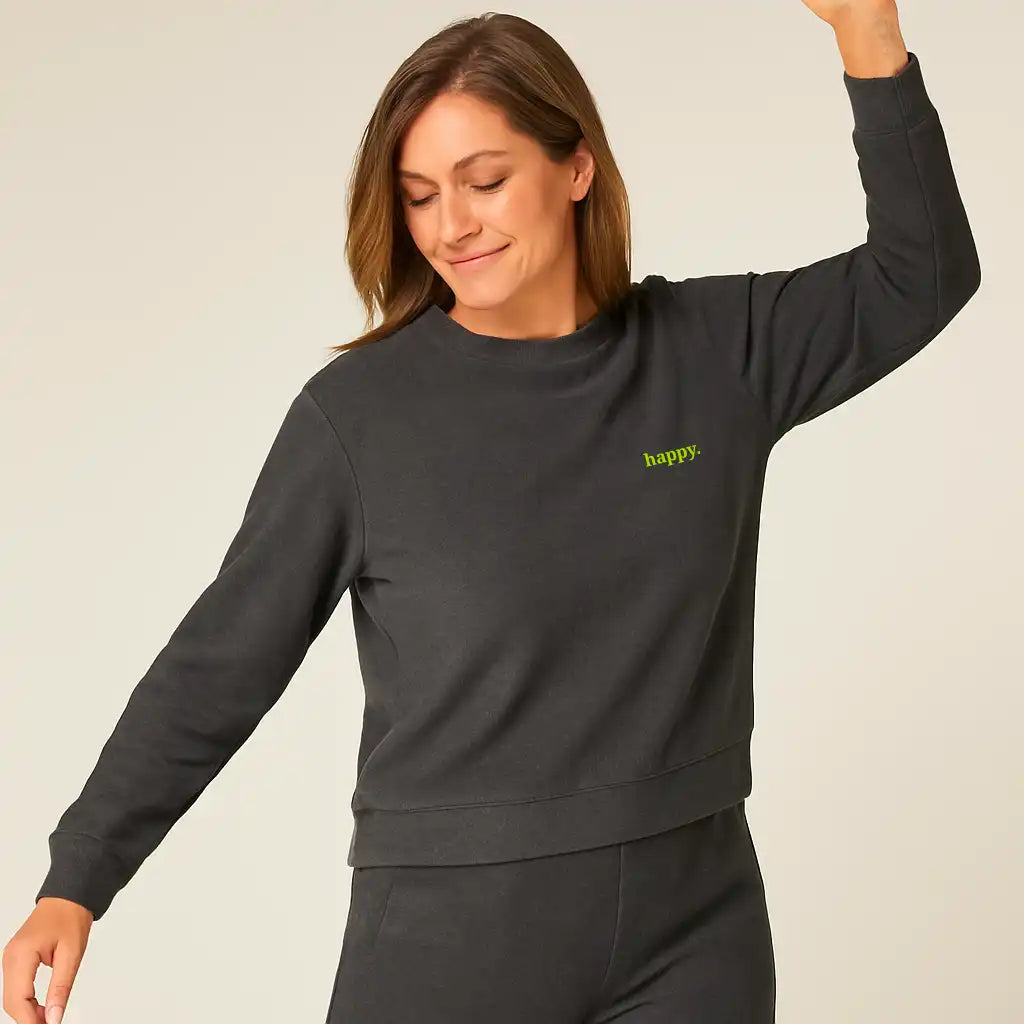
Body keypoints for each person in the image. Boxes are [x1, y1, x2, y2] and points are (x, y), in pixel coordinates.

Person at [3, 5, 981, 1024]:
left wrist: (866, 31)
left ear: (576, 167)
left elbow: (924, 274)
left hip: (696, 933)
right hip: (451, 939)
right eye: (421, 196)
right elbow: (222, 660)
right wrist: (80, 877)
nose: (451, 225)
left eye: (484, 181)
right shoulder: (360, 419)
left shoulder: (715, 353)